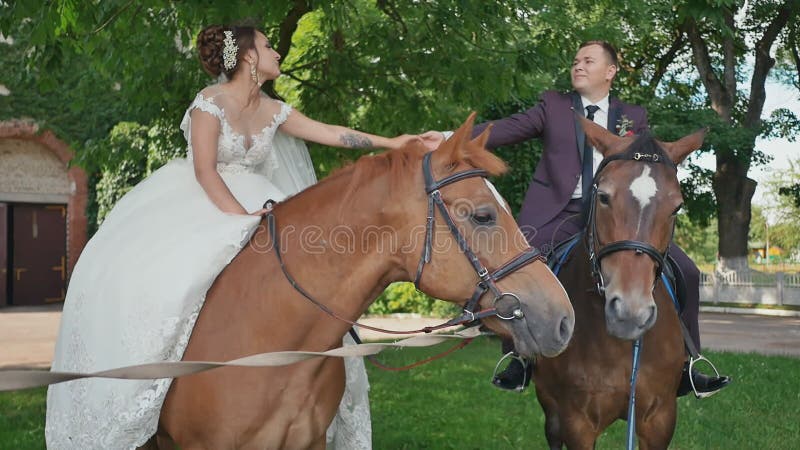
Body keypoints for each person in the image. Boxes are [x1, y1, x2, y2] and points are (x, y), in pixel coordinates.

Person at [45, 24, 421, 449]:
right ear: (246, 57)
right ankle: (146, 389)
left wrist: (395, 142)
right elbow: (205, 170)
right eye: (267, 45)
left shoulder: (273, 110)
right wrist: (242, 219)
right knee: (169, 282)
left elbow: (331, 133)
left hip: (263, 200)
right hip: (206, 201)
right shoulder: (210, 103)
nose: (276, 51)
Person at [422, 40, 730, 397]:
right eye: (576, 60)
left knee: (687, 271)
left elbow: (647, 171)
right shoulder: (553, 106)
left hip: (621, 216)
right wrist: (447, 137)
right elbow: (506, 128)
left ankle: (690, 363)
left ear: (610, 71)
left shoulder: (634, 116)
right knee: (513, 269)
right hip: (559, 213)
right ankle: (518, 360)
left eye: (588, 60)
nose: (578, 65)